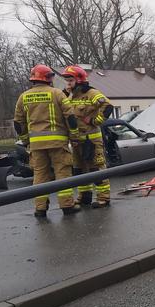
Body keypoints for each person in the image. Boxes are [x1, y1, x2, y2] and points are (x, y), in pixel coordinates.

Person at [13, 64, 81, 217]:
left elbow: (18, 122)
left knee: (40, 176)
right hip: (58, 143)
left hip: (36, 145)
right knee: (62, 174)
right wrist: (75, 137)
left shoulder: (23, 97)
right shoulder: (57, 94)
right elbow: (70, 118)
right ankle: (67, 206)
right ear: (48, 78)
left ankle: (40, 208)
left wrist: (25, 140)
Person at [61, 65, 114, 208]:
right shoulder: (69, 96)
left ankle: (103, 198)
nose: (68, 83)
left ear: (78, 80)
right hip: (76, 141)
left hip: (91, 140)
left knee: (96, 169)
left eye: (70, 80)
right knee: (79, 170)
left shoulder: (92, 93)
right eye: (66, 80)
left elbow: (108, 107)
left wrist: (94, 121)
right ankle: (84, 197)